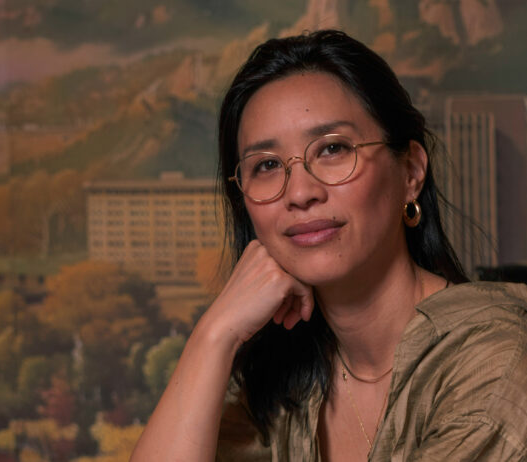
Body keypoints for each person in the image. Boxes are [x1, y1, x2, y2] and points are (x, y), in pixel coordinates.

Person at [130, 29, 527, 461]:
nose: (300, 192)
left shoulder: (499, 357)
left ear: (411, 171)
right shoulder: (283, 387)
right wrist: (214, 335)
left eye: (333, 149)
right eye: (266, 164)